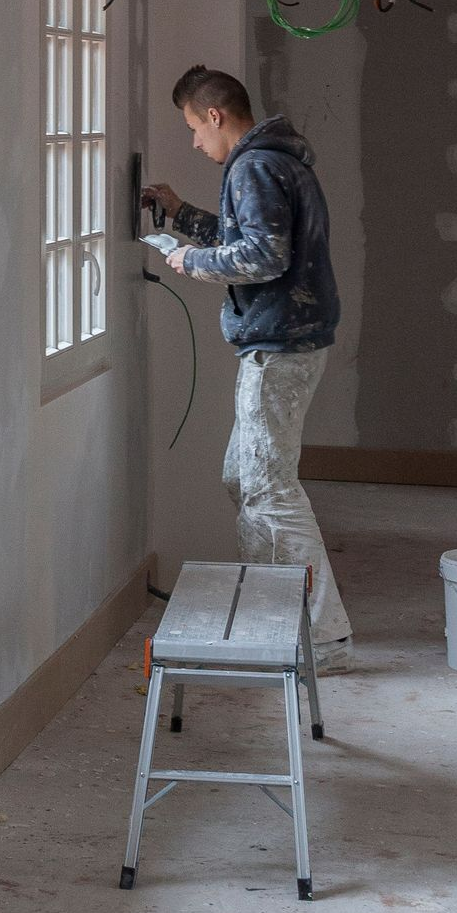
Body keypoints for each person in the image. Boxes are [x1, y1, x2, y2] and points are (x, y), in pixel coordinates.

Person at [142, 65, 354, 670]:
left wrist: (189, 261)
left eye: (192, 127)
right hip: (290, 335)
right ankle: (277, 611)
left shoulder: (255, 166)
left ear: (215, 115)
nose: (193, 142)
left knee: (268, 488)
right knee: (243, 475)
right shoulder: (275, 160)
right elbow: (253, 234)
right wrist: (182, 216)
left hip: (279, 343)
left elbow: (262, 255)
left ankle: (323, 637)